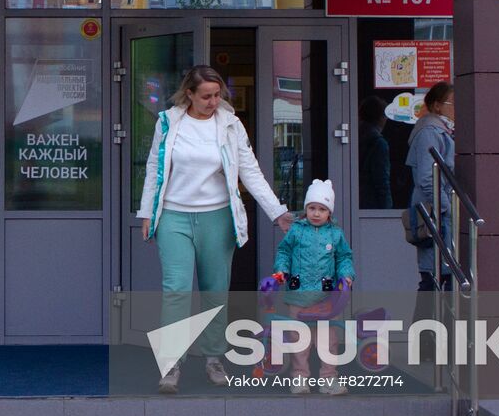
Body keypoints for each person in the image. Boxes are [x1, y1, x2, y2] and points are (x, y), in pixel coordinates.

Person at [139, 65, 294, 394]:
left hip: (217, 218)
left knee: (214, 291)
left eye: (217, 95)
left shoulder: (230, 124)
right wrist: (147, 212)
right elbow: (154, 165)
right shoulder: (168, 122)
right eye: (206, 96)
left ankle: (213, 358)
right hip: (173, 217)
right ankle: (171, 365)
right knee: (177, 290)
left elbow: (250, 171)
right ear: (189, 95)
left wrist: (277, 212)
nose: (213, 102)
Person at [272, 179, 355, 394]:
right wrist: (281, 270)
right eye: (312, 208)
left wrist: (346, 275)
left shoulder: (335, 234)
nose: (316, 213)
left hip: (326, 297)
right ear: (306, 209)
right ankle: (299, 378)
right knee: (299, 341)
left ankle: (328, 379)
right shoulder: (296, 231)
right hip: (298, 295)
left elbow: (344, 257)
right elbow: (284, 252)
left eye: (322, 209)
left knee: (328, 341)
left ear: (329, 212)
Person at [407, 81, 455, 291]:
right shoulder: (430, 132)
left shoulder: (441, 131)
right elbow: (428, 178)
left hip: (438, 211)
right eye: (453, 103)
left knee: (440, 278)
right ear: (437, 105)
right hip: (435, 213)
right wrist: (446, 208)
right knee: (433, 279)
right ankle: (425, 325)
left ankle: (433, 324)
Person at [358, 96, 392, 209]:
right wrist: (387, 209)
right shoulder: (378, 143)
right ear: (380, 117)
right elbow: (382, 180)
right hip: (371, 202)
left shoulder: (355, 138)